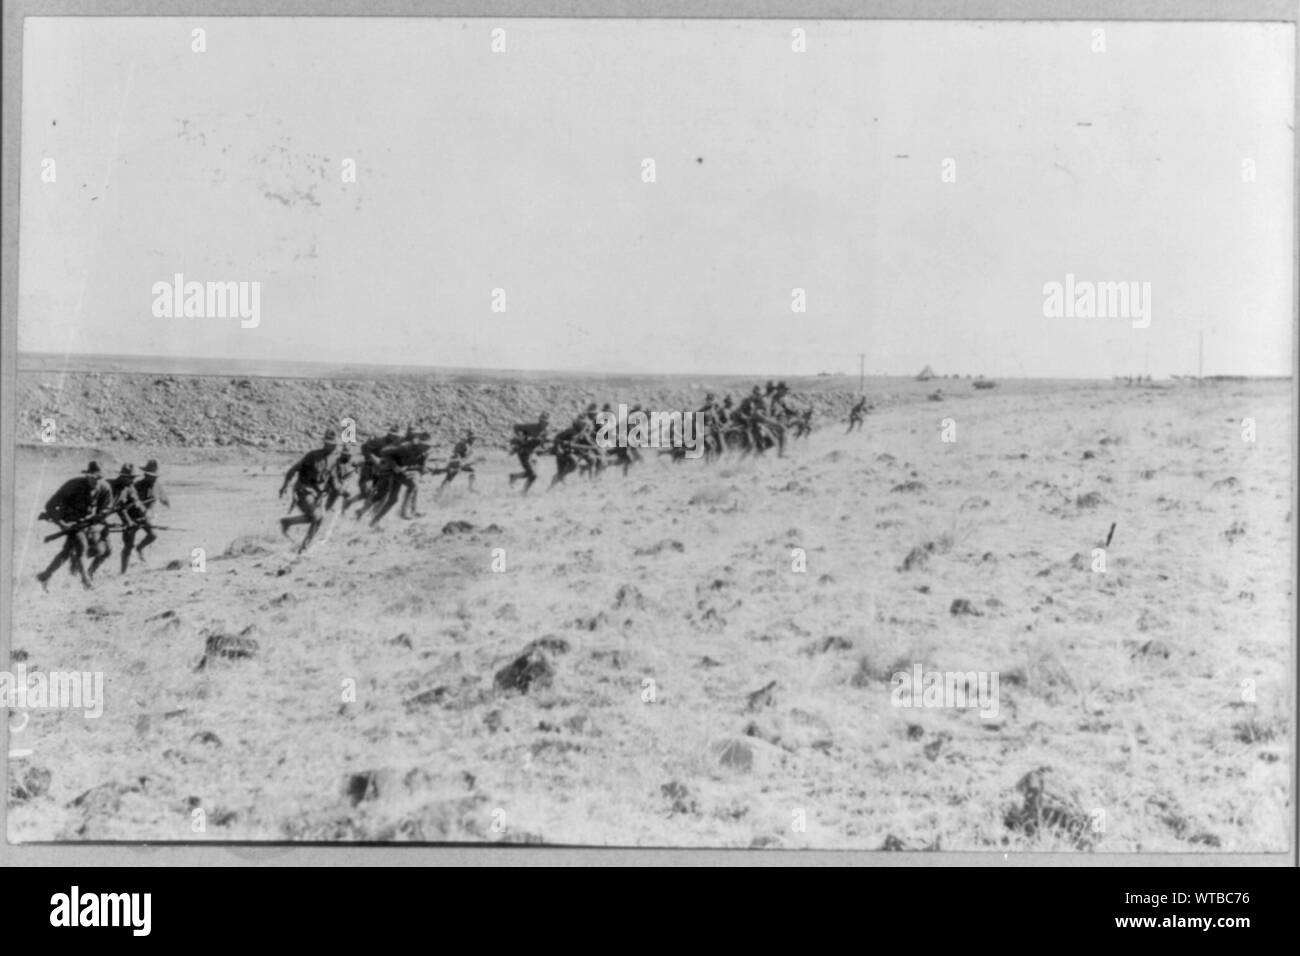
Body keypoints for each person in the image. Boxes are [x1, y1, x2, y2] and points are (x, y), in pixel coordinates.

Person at [36, 461, 114, 591]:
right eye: (93, 477)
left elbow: (107, 507)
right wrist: (61, 523)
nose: (96, 481)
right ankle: (86, 581)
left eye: (99, 478)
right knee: (81, 546)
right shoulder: (73, 485)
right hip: (70, 522)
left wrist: (100, 516)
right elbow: (50, 505)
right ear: (87, 476)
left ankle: (45, 575)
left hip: (88, 522)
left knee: (68, 552)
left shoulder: (104, 487)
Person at [279, 429, 341, 553]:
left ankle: (287, 522)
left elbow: (333, 478)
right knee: (317, 517)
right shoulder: (312, 456)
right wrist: (285, 485)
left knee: (313, 518)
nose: (333, 446)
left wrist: (339, 489)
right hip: (303, 489)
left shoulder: (334, 459)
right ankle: (304, 548)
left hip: (316, 493)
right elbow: (294, 469)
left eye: (334, 444)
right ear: (325, 443)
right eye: (330, 444)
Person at [131, 459, 170, 563]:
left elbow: (163, 497)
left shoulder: (158, 485)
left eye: (155, 476)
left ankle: (139, 548)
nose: (153, 478)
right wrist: (142, 509)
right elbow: (133, 500)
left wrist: (166, 502)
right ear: (146, 475)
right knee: (129, 542)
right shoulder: (137, 485)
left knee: (152, 535)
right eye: (151, 476)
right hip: (133, 515)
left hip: (148, 516)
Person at [509, 413, 550, 494]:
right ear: (540, 421)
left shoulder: (545, 432)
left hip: (530, 454)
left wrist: (545, 448)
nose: (545, 424)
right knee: (533, 475)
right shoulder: (532, 427)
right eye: (543, 422)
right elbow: (516, 427)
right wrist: (521, 439)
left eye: (547, 422)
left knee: (532, 473)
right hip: (523, 452)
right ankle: (523, 492)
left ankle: (514, 477)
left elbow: (542, 446)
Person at [436, 429, 477, 494]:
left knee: (472, 471)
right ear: (469, 437)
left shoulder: (469, 445)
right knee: (449, 478)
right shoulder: (463, 443)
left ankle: (470, 487)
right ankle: (440, 492)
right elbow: (456, 454)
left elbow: (466, 456)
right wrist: (459, 463)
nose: (474, 440)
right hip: (455, 463)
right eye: (472, 438)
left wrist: (469, 461)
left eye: (475, 438)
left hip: (460, 463)